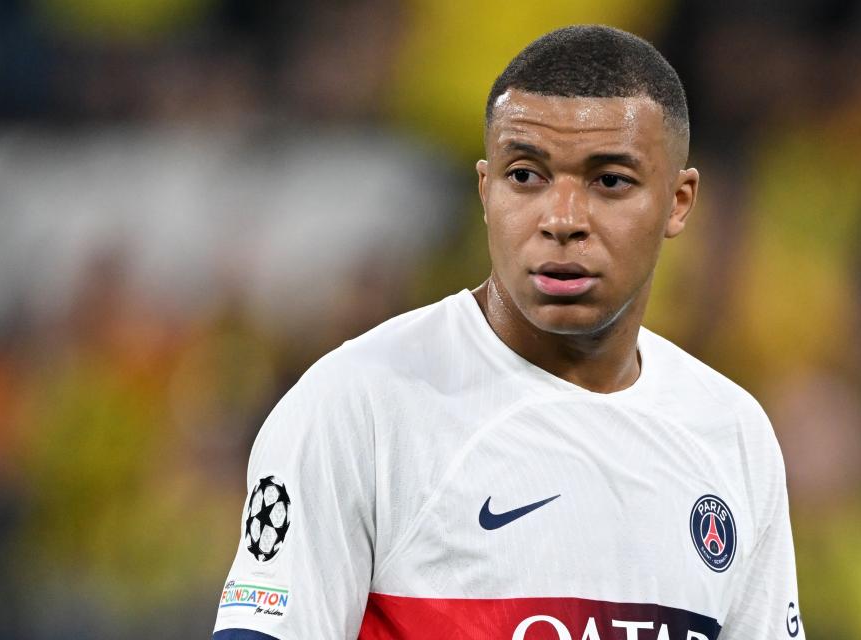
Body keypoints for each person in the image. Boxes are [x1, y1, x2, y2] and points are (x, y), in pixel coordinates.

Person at [212, 25, 803, 640]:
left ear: (678, 202)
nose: (562, 220)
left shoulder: (732, 433)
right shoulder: (359, 405)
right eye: (525, 176)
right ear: (485, 190)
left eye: (609, 181)